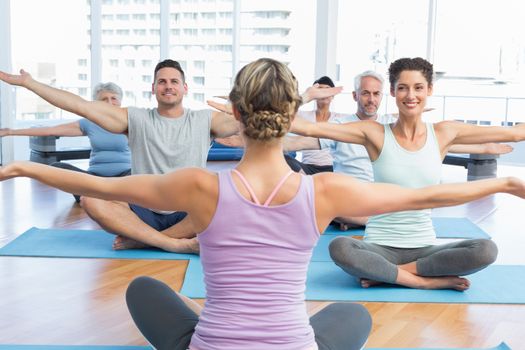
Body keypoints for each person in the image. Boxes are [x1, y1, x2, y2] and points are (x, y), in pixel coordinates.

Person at [2, 57, 525, 349]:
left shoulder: (201, 187)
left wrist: (23, 166)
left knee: (142, 288)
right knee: (351, 316)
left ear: (234, 113)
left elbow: (103, 189)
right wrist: (501, 186)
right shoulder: (323, 192)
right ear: (291, 114)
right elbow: (430, 193)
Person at [291, 57, 525, 290]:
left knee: (485, 250)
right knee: (340, 247)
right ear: (392, 92)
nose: (410, 95)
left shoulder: (444, 133)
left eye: (418, 87)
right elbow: (307, 127)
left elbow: (514, 133)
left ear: (429, 90)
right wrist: (306, 98)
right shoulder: (374, 133)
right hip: (378, 247)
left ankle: (392, 274)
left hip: (425, 248)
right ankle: (423, 281)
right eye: (402, 88)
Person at [0, 59, 245, 253]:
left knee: (226, 198)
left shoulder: (205, 120)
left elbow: (258, 120)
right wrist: (30, 83)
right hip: (145, 209)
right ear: (153, 89)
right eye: (161, 82)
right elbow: (81, 106)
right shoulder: (135, 118)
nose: (168, 86)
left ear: (185, 88)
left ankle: (147, 240)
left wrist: (240, 106)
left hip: (189, 214)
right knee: (91, 200)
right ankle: (172, 243)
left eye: (174, 81)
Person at [0, 82, 131, 203]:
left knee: (140, 174)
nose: (109, 102)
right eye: (104, 99)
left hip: (124, 177)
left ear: (120, 101)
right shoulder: (89, 123)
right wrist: (10, 132)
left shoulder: (130, 122)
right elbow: (50, 130)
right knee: (57, 167)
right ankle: (111, 196)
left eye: (113, 98)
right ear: (96, 103)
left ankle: (101, 196)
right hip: (94, 179)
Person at [284, 75, 344, 174]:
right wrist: (306, 96)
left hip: (332, 169)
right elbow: (281, 113)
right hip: (306, 168)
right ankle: (306, 181)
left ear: (333, 95)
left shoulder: (341, 118)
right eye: (320, 90)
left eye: (327, 90)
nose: (323, 93)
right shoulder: (302, 115)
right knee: (283, 157)